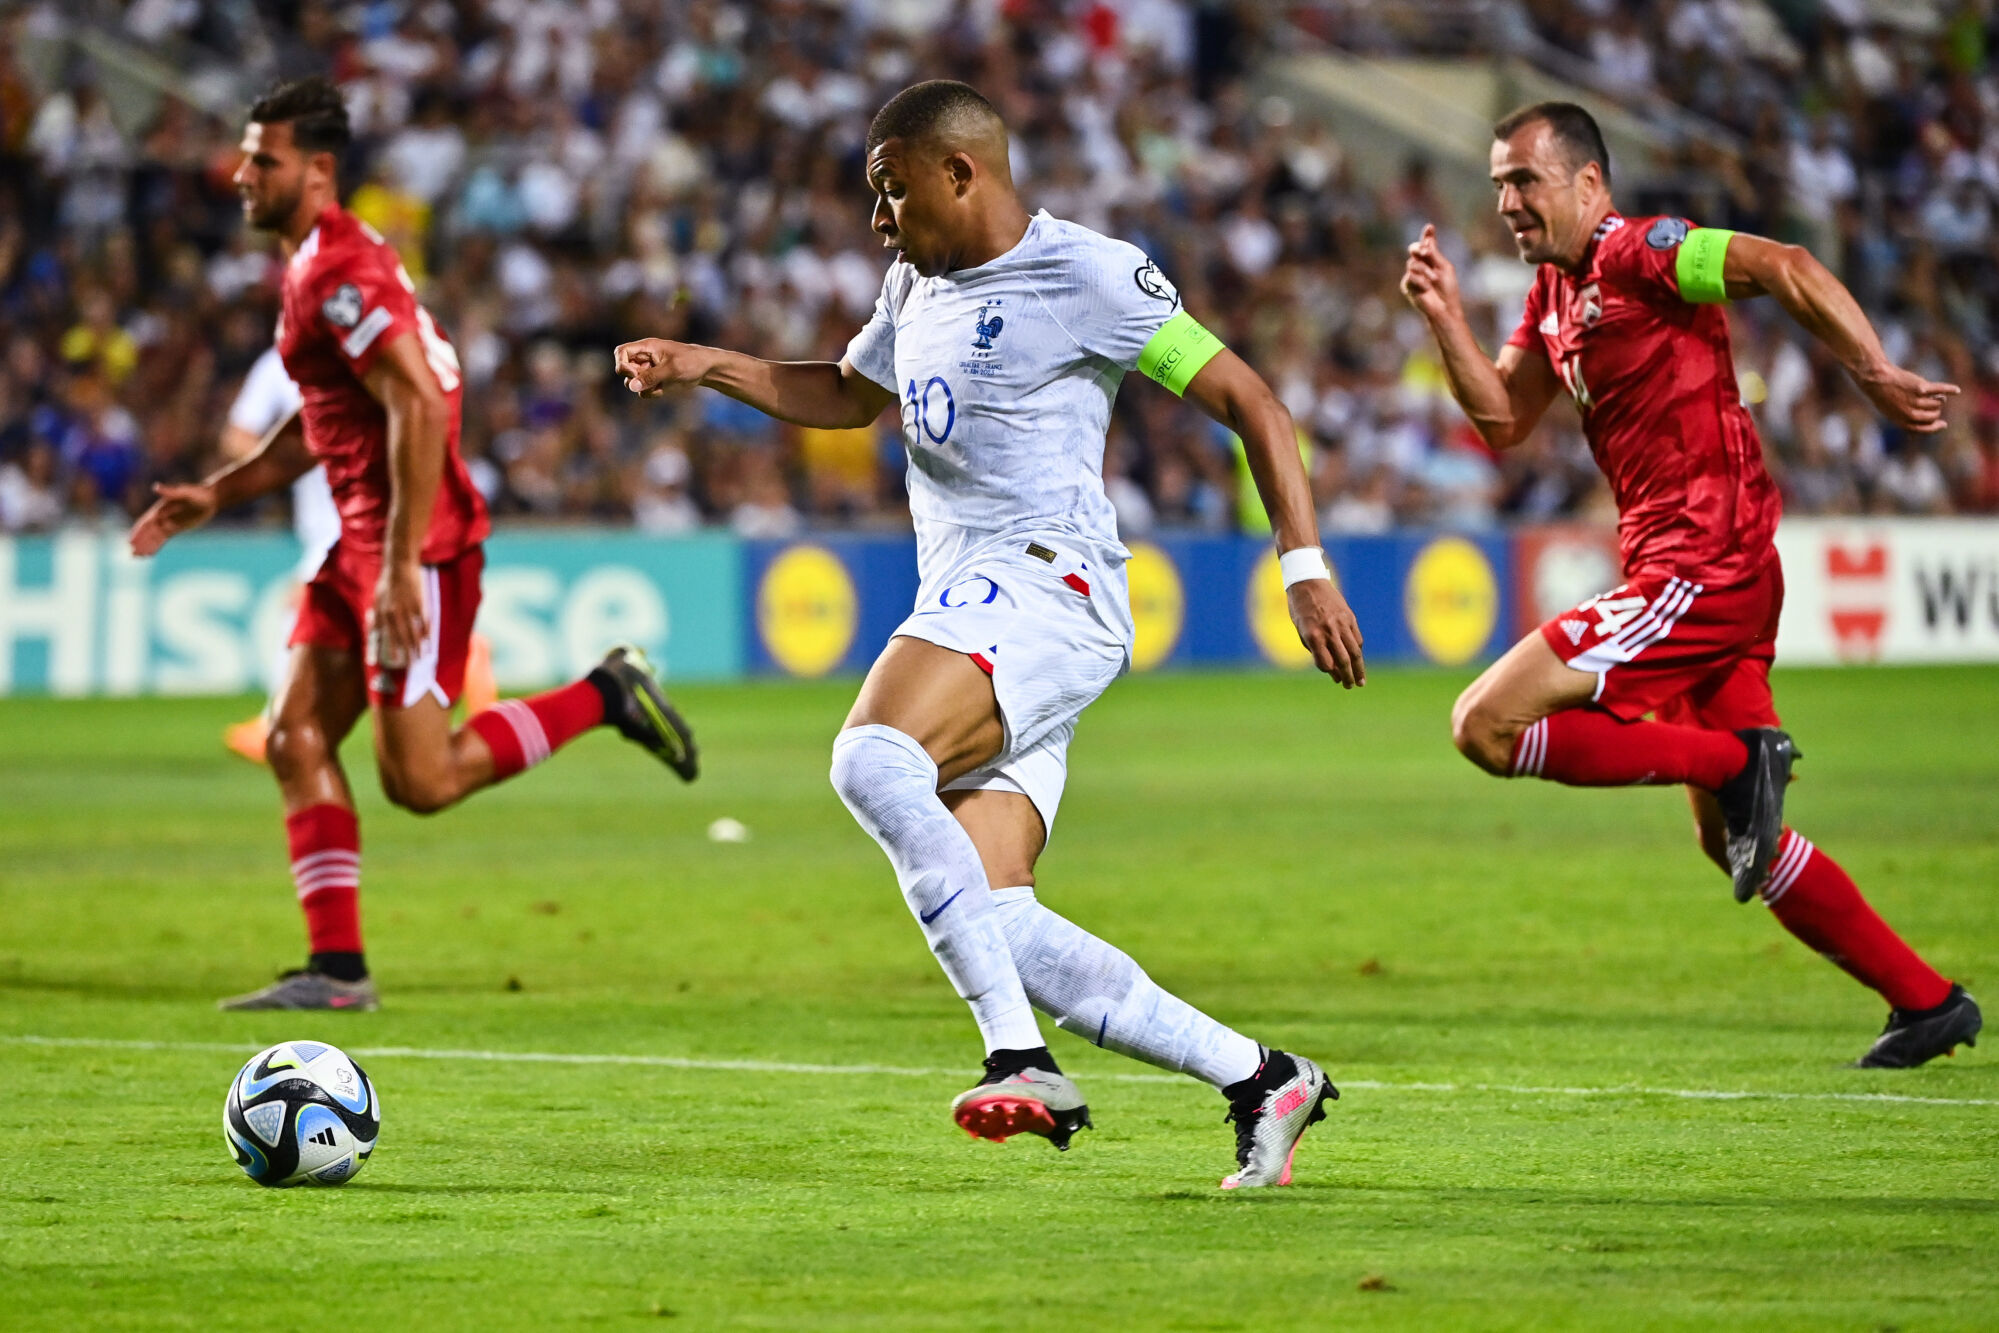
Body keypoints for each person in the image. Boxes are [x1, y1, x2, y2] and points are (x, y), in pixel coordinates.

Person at [616, 81, 1366, 1189]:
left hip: (1045, 588)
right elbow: (844, 392)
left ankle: (1021, 1059)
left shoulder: (1089, 274)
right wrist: (703, 363)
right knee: (997, 915)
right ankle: (1262, 1078)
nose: (879, 215)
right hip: (979, 612)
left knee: (873, 757)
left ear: (958, 173)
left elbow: (1251, 399)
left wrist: (1301, 564)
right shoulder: (913, 281)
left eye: (891, 189)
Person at [1401, 101, 1980, 1068]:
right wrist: (1443, 320)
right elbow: (1501, 419)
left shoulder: (1645, 252)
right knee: (1731, 842)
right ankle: (1925, 1001)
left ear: (1588, 183)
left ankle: (1731, 761)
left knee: (1484, 724)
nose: (1506, 200)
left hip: (1703, 565)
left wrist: (1872, 370)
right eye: (1498, 182)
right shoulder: (1550, 297)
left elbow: (1785, 265)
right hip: (1697, 573)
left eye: (1524, 180)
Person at [129, 78, 699, 1012]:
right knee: (292, 732)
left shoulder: (338, 272)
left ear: (317, 171)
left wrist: (396, 566)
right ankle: (338, 969)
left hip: (416, 549)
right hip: (358, 546)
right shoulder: (313, 264)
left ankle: (606, 694)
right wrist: (219, 493)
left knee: (421, 781)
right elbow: (329, 420)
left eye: (260, 159)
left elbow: (421, 402)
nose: (240, 174)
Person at [217, 346, 497, 764]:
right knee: (355, 616)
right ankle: (467, 648)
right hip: (327, 512)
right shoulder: (283, 364)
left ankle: (274, 725)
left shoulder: (375, 347)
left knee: (304, 605)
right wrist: (281, 461)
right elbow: (237, 437)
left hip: (357, 507)